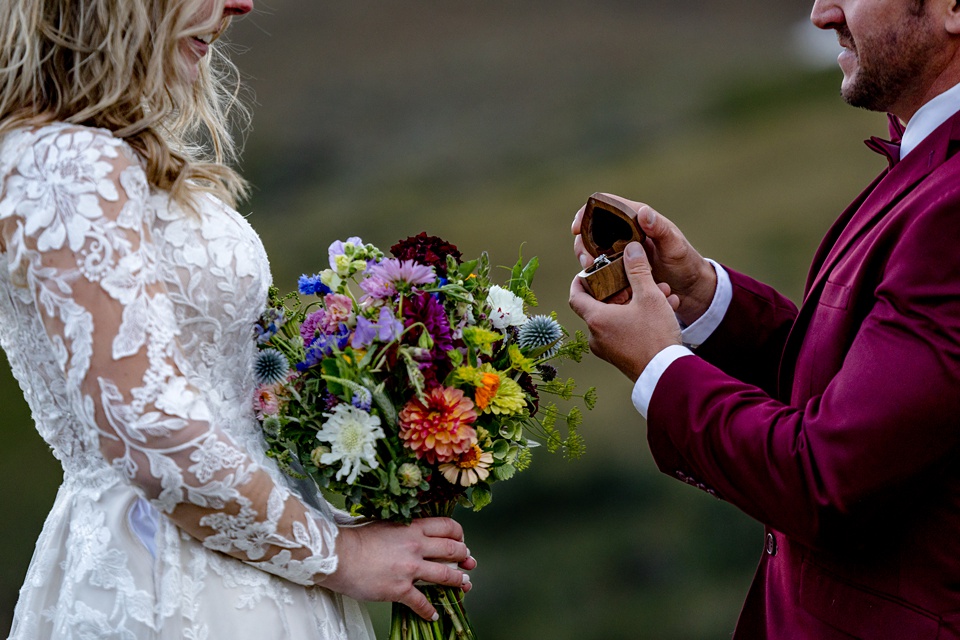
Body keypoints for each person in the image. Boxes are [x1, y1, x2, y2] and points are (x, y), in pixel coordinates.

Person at [0, 1, 476, 639]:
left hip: (248, 561)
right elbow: (146, 425)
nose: (240, 3)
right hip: (167, 576)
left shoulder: (104, 153)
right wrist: (338, 555)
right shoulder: (62, 160)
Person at [569, 0, 960, 637]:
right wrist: (701, 298)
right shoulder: (931, 164)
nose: (821, 12)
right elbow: (860, 402)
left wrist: (660, 368)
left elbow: (828, 481)